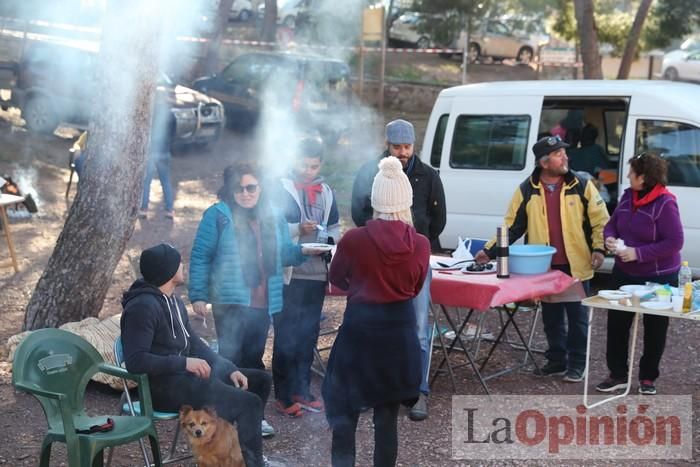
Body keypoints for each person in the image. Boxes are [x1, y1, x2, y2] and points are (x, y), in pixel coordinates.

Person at [120, 244, 280, 467]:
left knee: (260, 381)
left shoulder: (173, 301)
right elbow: (136, 362)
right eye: (178, 263)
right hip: (162, 389)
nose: (182, 266)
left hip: (188, 380)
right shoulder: (142, 307)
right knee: (249, 403)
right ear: (167, 271)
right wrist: (184, 362)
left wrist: (229, 368)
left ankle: (231, 454)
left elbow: (194, 344)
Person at [475, 135, 610, 382]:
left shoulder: (581, 184)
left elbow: (600, 220)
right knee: (551, 318)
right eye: (559, 154)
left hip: (576, 265)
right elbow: (512, 225)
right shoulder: (527, 188)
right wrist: (490, 250)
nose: (566, 157)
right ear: (544, 162)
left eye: (564, 153)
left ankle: (577, 364)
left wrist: (600, 249)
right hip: (544, 268)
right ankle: (556, 360)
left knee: (578, 318)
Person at [323, 156, 430, 467]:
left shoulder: (354, 240)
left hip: (359, 332)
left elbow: (336, 278)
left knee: (345, 417)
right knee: (386, 421)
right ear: (405, 201)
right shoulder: (421, 244)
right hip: (399, 334)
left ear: (376, 200)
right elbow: (415, 286)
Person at [350, 118, 445, 421]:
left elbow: (438, 218)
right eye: (397, 146)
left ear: (413, 146)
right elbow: (357, 212)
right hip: (375, 262)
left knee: (417, 329)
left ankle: (417, 392)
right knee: (371, 326)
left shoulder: (428, 175)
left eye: (407, 147)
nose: (403, 152)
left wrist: (419, 244)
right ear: (386, 145)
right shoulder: (369, 173)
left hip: (415, 262)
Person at [189, 161, 324, 371]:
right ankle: (228, 402)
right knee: (230, 358)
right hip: (229, 300)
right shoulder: (217, 215)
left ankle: (252, 401)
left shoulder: (273, 216)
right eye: (238, 188)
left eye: (251, 187)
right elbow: (201, 257)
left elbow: (283, 254)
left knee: (253, 358)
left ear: (260, 187)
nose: (245, 193)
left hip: (263, 301)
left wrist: (303, 251)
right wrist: (198, 296)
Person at [596, 152, 683, 395]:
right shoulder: (627, 196)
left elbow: (675, 242)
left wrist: (638, 253)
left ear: (643, 177)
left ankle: (648, 377)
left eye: (631, 173)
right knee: (616, 325)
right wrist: (610, 238)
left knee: (655, 328)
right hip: (624, 273)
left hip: (659, 277)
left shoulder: (666, 203)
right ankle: (617, 375)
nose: (626, 177)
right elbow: (612, 223)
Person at [273, 137, 340, 417]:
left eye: (313, 166)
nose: (308, 170)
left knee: (308, 334)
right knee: (286, 334)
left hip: (315, 274)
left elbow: (335, 227)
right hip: (290, 273)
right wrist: (298, 229)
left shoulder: (325, 191)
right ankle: (283, 393)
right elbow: (272, 230)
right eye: (304, 164)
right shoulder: (281, 188)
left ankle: (303, 388)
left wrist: (329, 244)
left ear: (320, 165)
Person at [140, 103, 175, 219]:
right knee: (165, 181)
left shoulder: (148, 113)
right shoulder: (170, 115)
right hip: (164, 151)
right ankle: (169, 210)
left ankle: (143, 209)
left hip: (150, 152)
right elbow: (173, 133)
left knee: (146, 181)